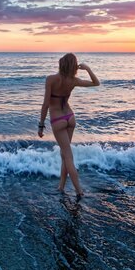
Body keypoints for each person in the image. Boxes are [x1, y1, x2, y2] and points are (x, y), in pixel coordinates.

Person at [38, 53, 100, 198]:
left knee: (68, 156)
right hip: (70, 118)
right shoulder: (74, 80)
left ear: (61, 64)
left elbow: (46, 104)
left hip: (58, 119)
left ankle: (79, 191)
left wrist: (41, 125)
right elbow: (96, 83)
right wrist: (88, 69)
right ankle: (61, 187)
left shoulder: (51, 79)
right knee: (65, 154)